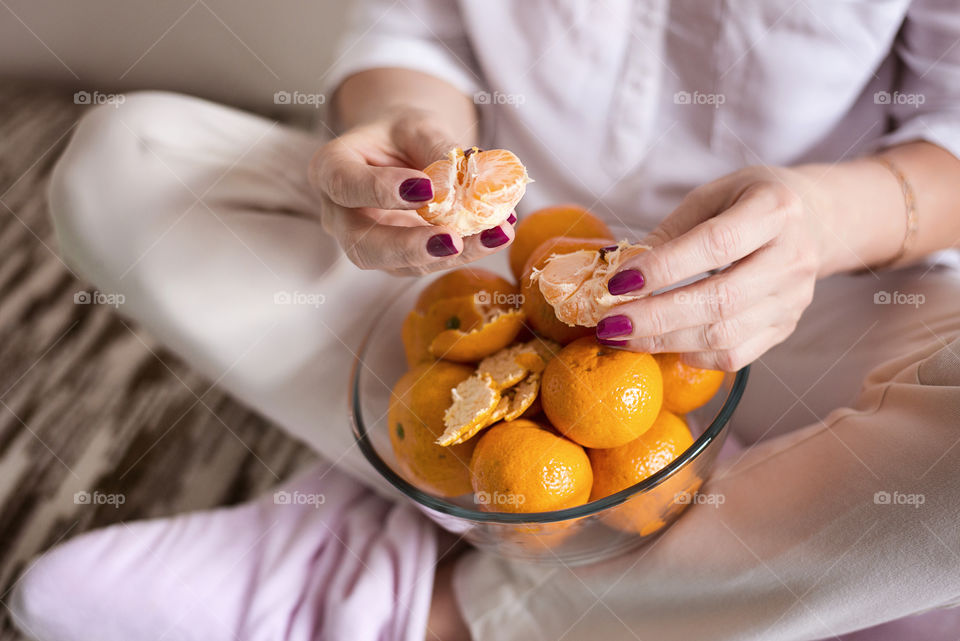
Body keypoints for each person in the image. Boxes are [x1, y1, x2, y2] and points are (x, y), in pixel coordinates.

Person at [11, 1, 960, 640]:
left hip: (826, 296)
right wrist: (402, 141)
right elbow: (414, 31)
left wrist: (821, 223)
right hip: (489, 273)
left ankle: (441, 601)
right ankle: (698, 565)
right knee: (122, 158)